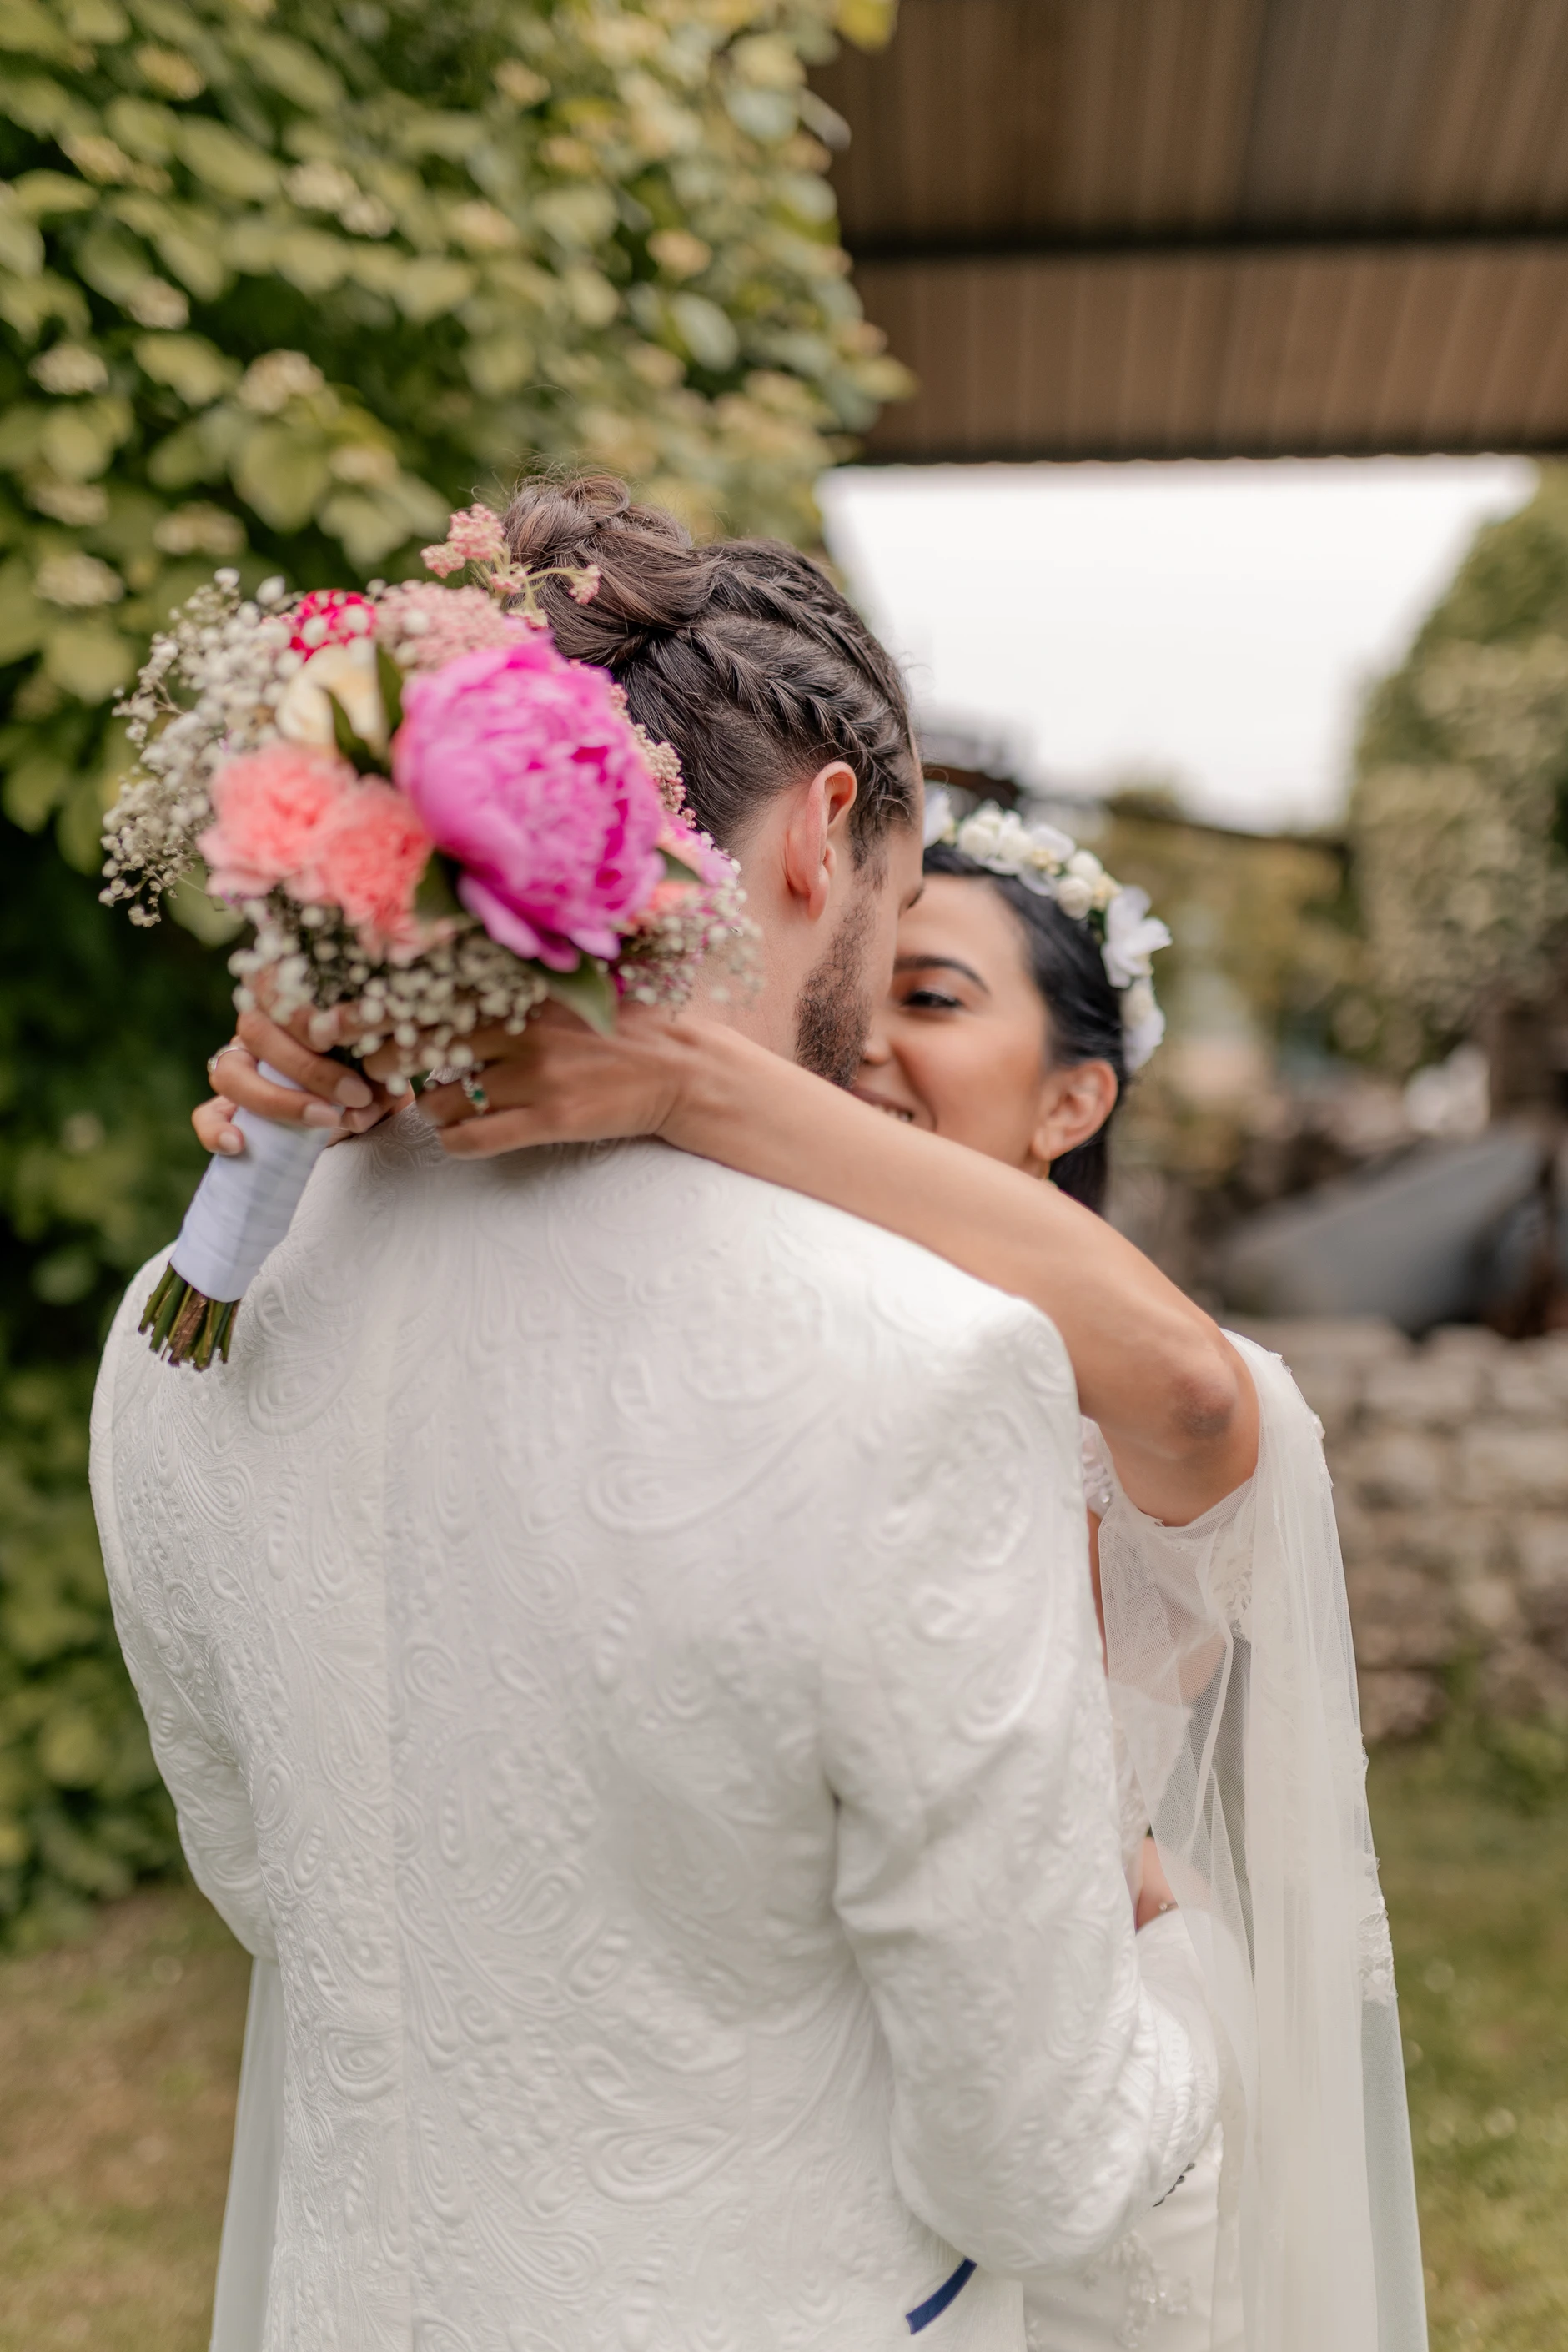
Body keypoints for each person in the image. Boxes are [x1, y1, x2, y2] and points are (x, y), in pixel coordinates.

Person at [93, 476, 1223, 2352]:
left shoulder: (185, 1320)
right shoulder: (926, 1363)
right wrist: (1192, 2010)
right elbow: (1034, 2164)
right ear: (828, 833)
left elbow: (275, 1897)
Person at [193, 768, 1428, 2349]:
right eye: (867, 979)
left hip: (1074, 2117)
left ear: (1074, 1102)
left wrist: (696, 1080)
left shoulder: (1118, 1382)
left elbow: (1194, 1397)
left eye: (934, 991)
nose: (861, 1038)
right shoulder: (722, 1328)